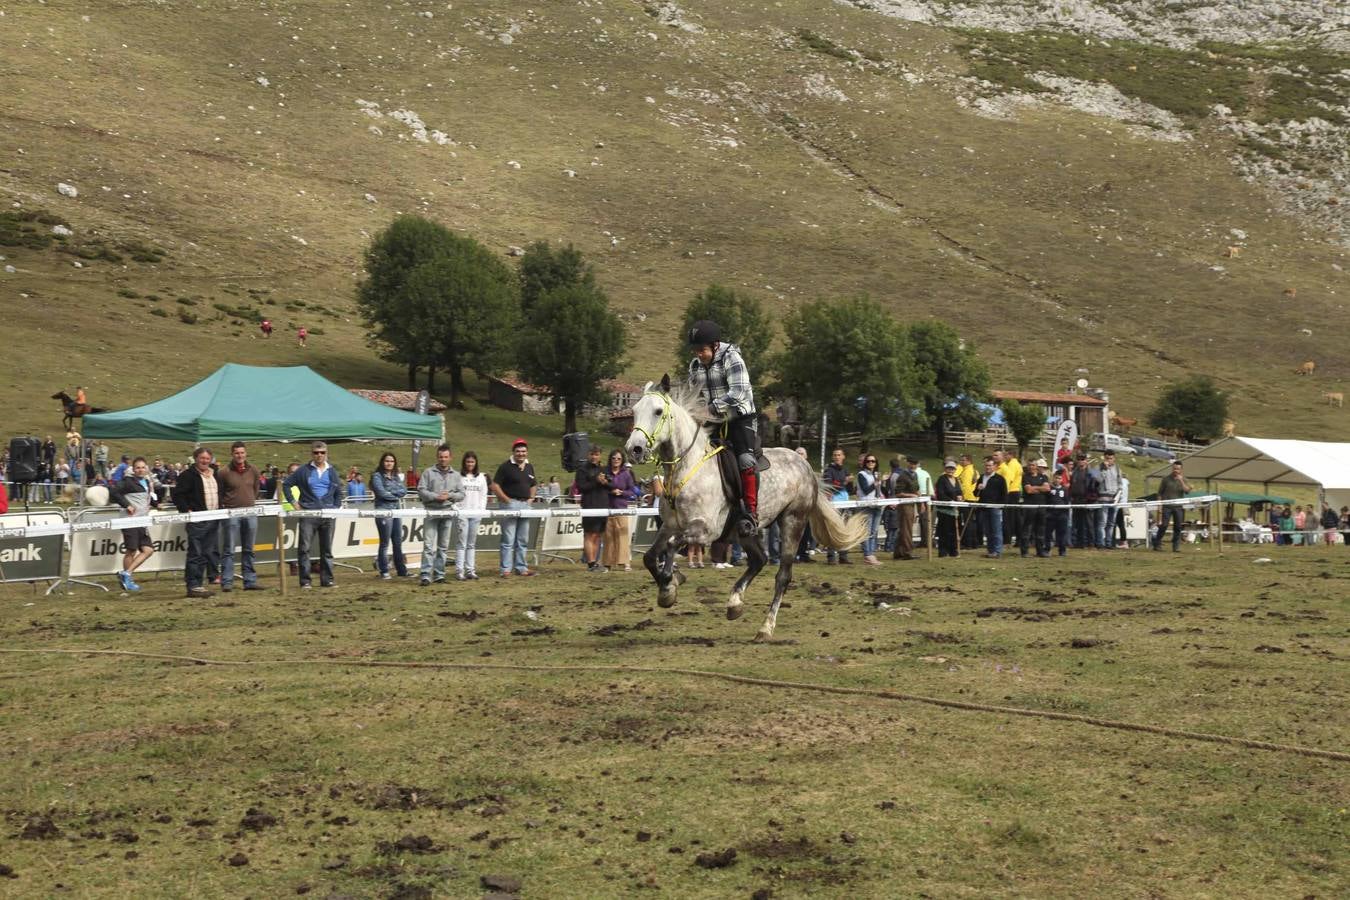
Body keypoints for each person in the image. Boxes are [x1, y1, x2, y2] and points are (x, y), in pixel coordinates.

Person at [687, 319, 760, 534]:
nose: (699, 354)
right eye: (696, 350)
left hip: (740, 418)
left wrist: (710, 408)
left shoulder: (732, 358)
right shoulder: (695, 366)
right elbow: (694, 396)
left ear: (715, 345)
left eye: (702, 350)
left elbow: (738, 393)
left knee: (745, 459)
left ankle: (751, 513)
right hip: (714, 420)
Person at [284, 441, 344, 588]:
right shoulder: (303, 470)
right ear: (312, 454)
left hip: (328, 515)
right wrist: (293, 502)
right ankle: (305, 581)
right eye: (316, 453)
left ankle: (327, 580)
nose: (319, 455)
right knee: (304, 548)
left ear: (326, 454)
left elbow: (338, 492)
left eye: (322, 452)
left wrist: (335, 507)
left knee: (327, 549)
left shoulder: (332, 471)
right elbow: (286, 484)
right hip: (308, 514)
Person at [173, 447, 223, 598]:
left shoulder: (215, 474)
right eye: (202, 458)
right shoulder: (187, 475)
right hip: (197, 520)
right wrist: (185, 510)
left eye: (207, 458)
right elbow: (177, 495)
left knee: (206, 553)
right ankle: (193, 585)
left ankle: (199, 585)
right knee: (195, 553)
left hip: (213, 518)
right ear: (196, 459)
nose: (205, 461)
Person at [217, 441, 263, 592]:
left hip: (250, 512)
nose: (240, 455)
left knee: (249, 548)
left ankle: (249, 581)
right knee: (229, 549)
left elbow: (256, 489)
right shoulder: (224, 472)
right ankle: (227, 581)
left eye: (242, 452)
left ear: (246, 453)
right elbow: (220, 492)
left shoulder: (254, 470)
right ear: (232, 454)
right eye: (237, 453)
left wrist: (249, 501)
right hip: (231, 514)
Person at [109, 456, 157, 592]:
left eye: (143, 467)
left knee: (148, 550)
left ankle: (126, 573)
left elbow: (145, 498)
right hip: (129, 521)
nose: (141, 470)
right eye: (138, 468)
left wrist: (156, 504)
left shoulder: (147, 481)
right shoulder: (128, 481)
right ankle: (127, 580)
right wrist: (127, 505)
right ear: (133, 469)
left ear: (147, 468)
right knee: (131, 550)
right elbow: (113, 492)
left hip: (142, 521)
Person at [417, 444, 464, 585]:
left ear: (450, 458)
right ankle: (425, 575)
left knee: (443, 546)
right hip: (431, 512)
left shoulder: (455, 475)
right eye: (440, 457)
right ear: (437, 457)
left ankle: (439, 575)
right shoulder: (428, 472)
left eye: (445, 457)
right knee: (428, 546)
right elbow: (421, 490)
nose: (443, 459)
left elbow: (462, 494)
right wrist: (435, 496)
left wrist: (449, 496)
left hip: (447, 513)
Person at [491, 438, 537, 577]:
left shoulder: (529, 467)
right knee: (508, 540)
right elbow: (495, 485)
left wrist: (531, 498)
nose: (521, 454)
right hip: (509, 505)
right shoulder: (505, 466)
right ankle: (505, 569)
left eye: (523, 451)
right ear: (513, 452)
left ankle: (521, 568)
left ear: (527, 452)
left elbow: (533, 484)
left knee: (522, 540)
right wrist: (506, 500)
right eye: (518, 451)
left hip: (525, 505)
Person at [372, 452, 412, 579]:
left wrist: (391, 493)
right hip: (383, 511)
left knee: (397, 542)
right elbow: (381, 492)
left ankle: (401, 570)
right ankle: (384, 570)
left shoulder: (396, 477)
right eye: (387, 461)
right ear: (383, 462)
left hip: (396, 511)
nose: (389, 463)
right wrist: (394, 495)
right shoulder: (377, 476)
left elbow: (404, 490)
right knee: (384, 543)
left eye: (392, 461)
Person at [603, 449, 640, 572]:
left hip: (622, 508)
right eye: (614, 458)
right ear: (610, 459)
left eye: (618, 458)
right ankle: (607, 563)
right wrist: (610, 492)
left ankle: (625, 563)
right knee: (608, 537)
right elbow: (601, 488)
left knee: (623, 536)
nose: (616, 460)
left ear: (622, 460)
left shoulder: (626, 474)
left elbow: (632, 491)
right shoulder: (605, 472)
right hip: (608, 508)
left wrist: (622, 493)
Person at [575, 445, 611, 572]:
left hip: (603, 505)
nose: (594, 457)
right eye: (592, 454)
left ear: (600, 455)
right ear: (587, 454)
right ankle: (590, 563)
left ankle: (595, 562)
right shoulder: (582, 469)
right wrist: (596, 481)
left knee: (597, 535)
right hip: (590, 505)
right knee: (590, 534)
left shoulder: (604, 468)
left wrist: (606, 482)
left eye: (596, 454)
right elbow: (581, 487)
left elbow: (610, 485)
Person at [456, 451, 490, 580]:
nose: (470, 464)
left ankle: (470, 570)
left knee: (471, 543)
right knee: (461, 543)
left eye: (472, 462)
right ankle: (459, 571)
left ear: (475, 463)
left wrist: (481, 510)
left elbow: (483, 495)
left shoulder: (481, 477)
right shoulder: (458, 476)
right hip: (463, 513)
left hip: (476, 514)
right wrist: (458, 509)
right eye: (468, 461)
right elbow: (454, 493)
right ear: (464, 463)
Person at [823, 448, 853, 564]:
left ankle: (843, 556)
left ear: (843, 456)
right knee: (833, 529)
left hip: (845, 501)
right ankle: (831, 557)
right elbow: (830, 486)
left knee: (844, 529)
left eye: (839, 455)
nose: (837, 457)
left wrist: (849, 482)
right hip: (834, 502)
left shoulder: (845, 470)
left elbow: (850, 489)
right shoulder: (829, 470)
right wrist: (844, 482)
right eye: (835, 455)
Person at [1153, 461, 1191, 552]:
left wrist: (1181, 480)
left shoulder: (1184, 479)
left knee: (1178, 526)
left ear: (1181, 470)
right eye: (1174, 468)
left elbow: (1187, 491)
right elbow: (1159, 493)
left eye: (1178, 469)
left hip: (1178, 507)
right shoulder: (1166, 479)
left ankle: (1176, 546)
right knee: (1164, 525)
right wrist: (1160, 505)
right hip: (1167, 506)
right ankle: (1157, 543)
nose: (1176, 470)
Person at [889, 455, 920, 561]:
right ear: (907, 463)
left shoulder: (915, 475)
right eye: (911, 463)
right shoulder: (902, 475)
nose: (913, 465)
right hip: (904, 505)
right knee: (906, 529)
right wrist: (910, 495)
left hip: (912, 504)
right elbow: (897, 493)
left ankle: (898, 552)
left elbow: (916, 489)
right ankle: (907, 551)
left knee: (905, 529)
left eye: (915, 464)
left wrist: (921, 500)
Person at [975, 456, 1007, 558]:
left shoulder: (1000, 479)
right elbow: (976, 494)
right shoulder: (981, 477)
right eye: (986, 465)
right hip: (984, 507)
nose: (987, 467)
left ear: (995, 467)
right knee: (988, 531)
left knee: (996, 530)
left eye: (990, 465)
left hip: (995, 508)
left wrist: (1000, 507)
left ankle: (997, 551)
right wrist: (978, 488)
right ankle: (990, 550)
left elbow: (1004, 494)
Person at [1020, 457, 1052, 558]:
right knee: (1027, 529)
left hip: (1041, 507)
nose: (1031, 467)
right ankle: (1024, 551)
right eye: (1029, 465)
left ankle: (1040, 551)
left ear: (1036, 466)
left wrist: (1035, 487)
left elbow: (1047, 488)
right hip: (1030, 507)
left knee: (1040, 530)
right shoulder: (1025, 477)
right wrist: (1040, 488)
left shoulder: (1044, 477)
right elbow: (1028, 490)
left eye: (1033, 465)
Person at [856, 453, 883, 565]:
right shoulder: (861, 474)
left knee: (874, 531)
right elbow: (866, 490)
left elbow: (878, 490)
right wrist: (876, 483)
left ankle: (871, 554)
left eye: (873, 461)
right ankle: (867, 554)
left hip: (877, 504)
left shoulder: (876, 474)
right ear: (865, 463)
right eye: (868, 461)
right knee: (866, 531)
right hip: (867, 504)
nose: (871, 463)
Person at [935, 458, 961, 558]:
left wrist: (960, 496)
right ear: (946, 469)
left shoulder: (956, 479)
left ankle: (953, 551)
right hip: (944, 510)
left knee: (954, 531)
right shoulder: (942, 479)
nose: (951, 470)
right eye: (949, 468)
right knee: (945, 531)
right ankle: (943, 551)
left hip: (954, 510)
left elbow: (959, 491)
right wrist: (950, 501)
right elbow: (940, 494)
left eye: (952, 468)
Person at [1096, 450, 1122, 549]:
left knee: (1111, 523)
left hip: (1114, 499)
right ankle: (1101, 543)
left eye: (1111, 458)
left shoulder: (1118, 468)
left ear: (1114, 458)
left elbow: (1120, 482)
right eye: (1107, 458)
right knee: (1102, 522)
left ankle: (1108, 542)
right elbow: (1098, 480)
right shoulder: (1098, 468)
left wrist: (1119, 493)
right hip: (1103, 498)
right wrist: (1104, 469)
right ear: (1104, 458)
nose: (1109, 460)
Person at [956, 453, 981, 550]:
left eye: (963, 460)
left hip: (967, 498)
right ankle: (974, 542)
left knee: (967, 522)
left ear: (968, 461)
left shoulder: (967, 471)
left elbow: (965, 486)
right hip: (973, 498)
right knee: (971, 522)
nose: (961, 462)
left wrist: (962, 497)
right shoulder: (974, 470)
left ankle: (968, 543)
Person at [1047, 465, 1072, 556]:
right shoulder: (1049, 488)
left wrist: (1066, 514)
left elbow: (1066, 502)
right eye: (1056, 478)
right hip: (1051, 514)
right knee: (1048, 533)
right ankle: (1047, 549)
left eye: (1060, 478)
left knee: (1062, 533)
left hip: (1062, 515)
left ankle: (1062, 550)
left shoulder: (1065, 490)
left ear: (1062, 480)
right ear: (1053, 478)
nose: (1058, 480)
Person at [912, 456, 933, 549]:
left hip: (921, 496)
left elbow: (916, 487)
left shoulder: (914, 473)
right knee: (925, 519)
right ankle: (925, 540)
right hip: (929, 495)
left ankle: (926, 541)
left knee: (924, 520)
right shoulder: (925, 472)